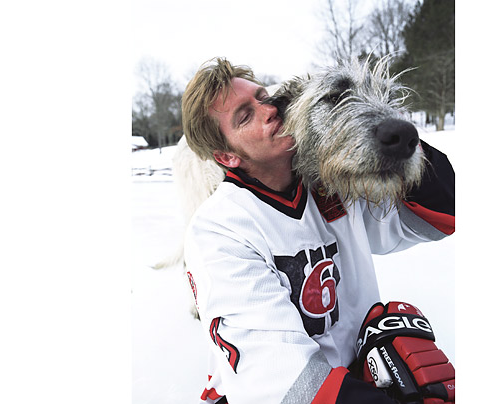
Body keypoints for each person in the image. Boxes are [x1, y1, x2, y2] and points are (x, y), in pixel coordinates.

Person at [181, 57, 455, 404]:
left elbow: (443, 212)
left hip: (352, 377)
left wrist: (379, 130)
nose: (270, 110)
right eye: (245, 115)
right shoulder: (218, 230)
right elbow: (280, 380)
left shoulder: (331, 182)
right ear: (227, 157)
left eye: (264, 96)